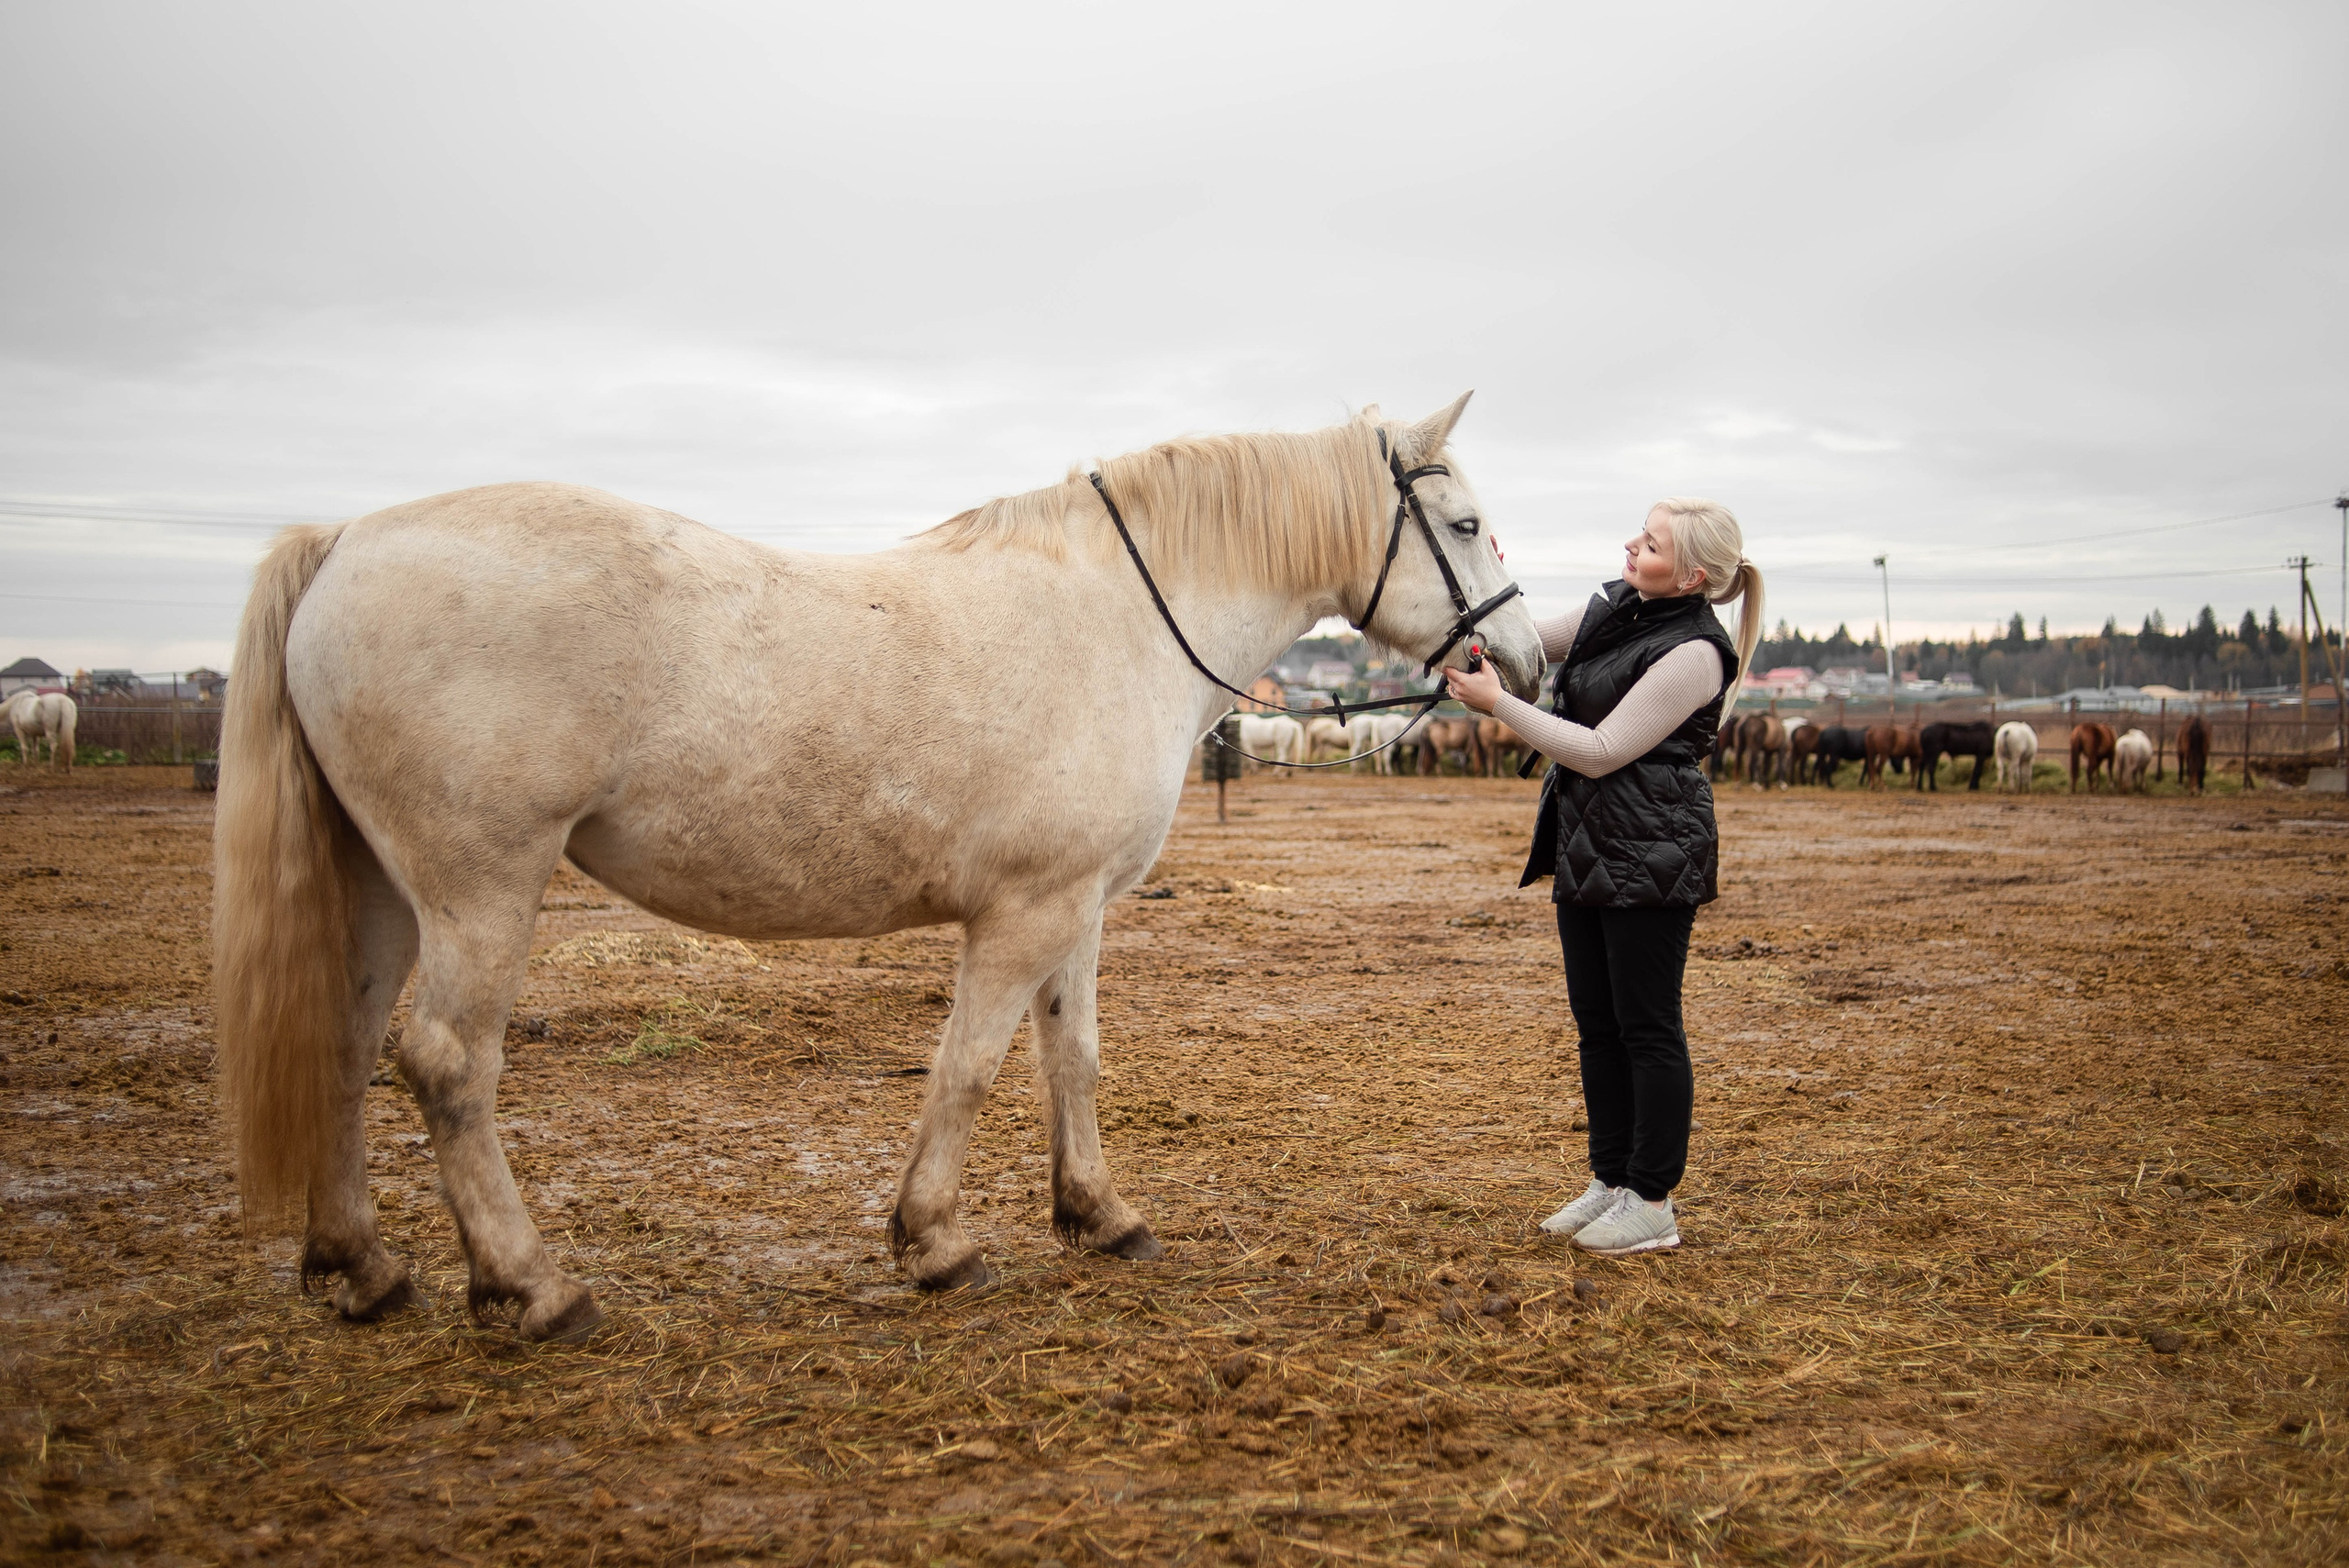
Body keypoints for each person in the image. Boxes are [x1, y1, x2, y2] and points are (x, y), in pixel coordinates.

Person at [1443, 498, 1762, 1256]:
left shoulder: (1696, 653)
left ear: (1692, 575)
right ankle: (1610, 1176)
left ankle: (1652, 1199)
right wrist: (1482, 572)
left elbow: (1599, 747)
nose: (1629, 546)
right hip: (1589, 838)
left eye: (1648, 544)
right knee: (1598, 1024)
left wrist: (1501, 707)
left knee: (1647, 1028)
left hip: (1654, 847)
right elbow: (1521, 646)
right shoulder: (1614, 605)